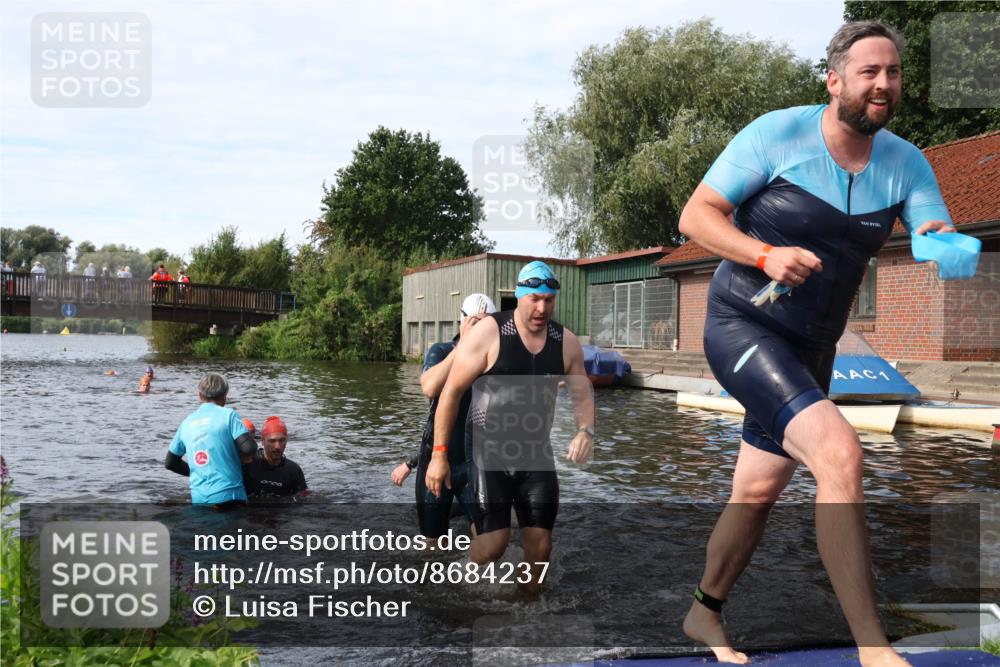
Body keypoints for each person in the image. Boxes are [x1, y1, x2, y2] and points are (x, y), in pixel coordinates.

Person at [676, 21, 954, 667]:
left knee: (756, 492)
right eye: (869, 72)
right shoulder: (777, 134)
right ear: (834, 81)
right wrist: (763, 254)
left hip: (813, 348)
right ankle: (872, 646)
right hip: (744, 325)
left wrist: (944, 241)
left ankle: (703, 610)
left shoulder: (906, 162)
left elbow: (930, 229)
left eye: (893, 72)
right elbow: (696, 217)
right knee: (840, 454)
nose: (883, 84)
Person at [426, 262, 594, 594]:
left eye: (549, 300)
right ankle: (461, 574)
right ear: (519, 296)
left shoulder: (566, 342)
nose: (542, 308)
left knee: (541, 549)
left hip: (535, 453)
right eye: (535, 299)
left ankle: (526, 610)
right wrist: (439, 454)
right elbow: (450, 394)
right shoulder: (489, 333)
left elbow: (582, 393)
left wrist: (585, 430)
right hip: (488, 451)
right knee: (493, 546)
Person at [393, 293, 498, 540]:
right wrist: (463, 348)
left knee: (489, 540)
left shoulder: (494, 359)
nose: (481, 330)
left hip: (475, 462)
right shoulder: (441, 351)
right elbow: (430, 387)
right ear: (463, 321)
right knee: (432, 544)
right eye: (476, 322)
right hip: (437, 460)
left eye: (487, 324)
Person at [165, 373, 255, 507]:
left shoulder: (186, 423)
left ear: (200, 396)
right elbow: (249, 448)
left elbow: (170, 463)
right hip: (229, 495)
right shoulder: (228, 415)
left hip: (199, 498)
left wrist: (197, 471)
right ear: (225, 396)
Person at [242, 416, 308, 498]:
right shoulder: (248, 464)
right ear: (262, 441)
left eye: (282, 440)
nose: (277, 446)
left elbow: (304, 499)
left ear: (286, 440)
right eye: (272, 441)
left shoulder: (294, 470)